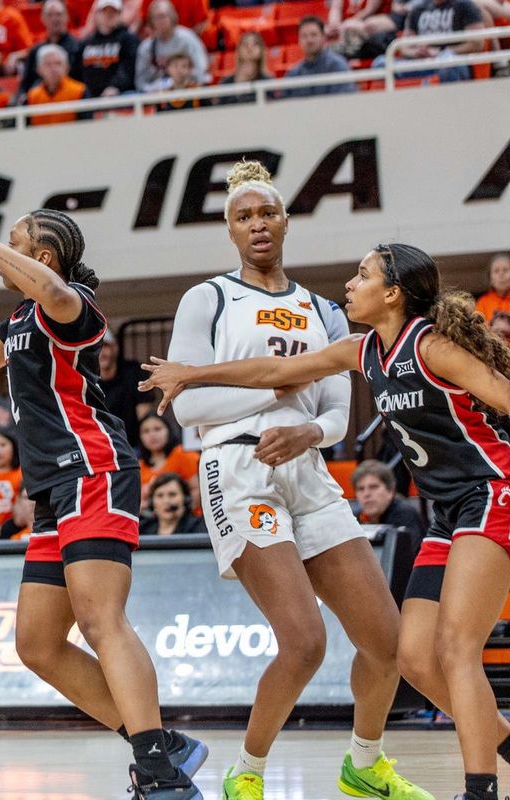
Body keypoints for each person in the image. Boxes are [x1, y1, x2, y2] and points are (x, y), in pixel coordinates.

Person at [142, 243, 510, 800]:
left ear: (391, 293)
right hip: (446, 512)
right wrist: (194, 373)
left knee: (455, 649)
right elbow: (278, 369)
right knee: (411, 656)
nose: (349, 283)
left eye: (362, 275)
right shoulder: (364, 351)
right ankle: (500, 742)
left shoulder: (433, 348)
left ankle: (479, 790)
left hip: (491, 492)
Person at [0, 205, 206, 798]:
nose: (1, 251)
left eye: (15, 242)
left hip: (93, 468)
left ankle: (158, 771)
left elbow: (57, 291)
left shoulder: (73, 306)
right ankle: (163, 744)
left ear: (40, 257)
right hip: (50, 489)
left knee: (100, 620)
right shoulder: (19, 316)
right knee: (36, 643)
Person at [146, 161, 427, 800]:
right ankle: (245, 774)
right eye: (244, 216)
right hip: (237, 468)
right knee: (303, 642)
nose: (257, 225)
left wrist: (307, 431)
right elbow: (187, 406)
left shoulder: (323, 309)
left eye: (266, 213)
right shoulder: (208, 298)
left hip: (307, 467)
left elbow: (335, 413)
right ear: (230, 228)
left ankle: (364, 764)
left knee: (387, 643)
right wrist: (276, 387)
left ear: (285, 221)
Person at [134, 0, 208, 93]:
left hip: (188, 92)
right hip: (158, 97)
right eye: (155, 18)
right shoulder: (146, 48)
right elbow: (141, 84)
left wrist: (184, 83)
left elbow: (202, 72)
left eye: (163, 16)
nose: (160, 21)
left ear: (172, 16)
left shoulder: (188, 39)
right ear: (150, 21)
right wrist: (158, 87)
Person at [97, 330, 153, 452]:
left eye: (105, 346)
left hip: (133, 446)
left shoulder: (133, 372)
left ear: (115, 348)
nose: (101, 353)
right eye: (96, 348)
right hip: (101, 446)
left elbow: (144, 415)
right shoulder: (86, 379)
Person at [17, 0, 84, 100]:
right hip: (39, 104)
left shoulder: (79, 48)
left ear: (67, 16)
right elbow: (25, 85)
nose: (54, 19)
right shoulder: (35, 51)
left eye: (58, 14)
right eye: (50, 15)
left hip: (71, 101)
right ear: (42, 18)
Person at [282, 16, 357, 98]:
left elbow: (346, 101)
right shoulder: (294, 73)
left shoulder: (337, 65)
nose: (309, 40)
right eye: (304, 36)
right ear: (299, 41)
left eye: (314, 35)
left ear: (323, 37)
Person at [351, 459, 426, 537]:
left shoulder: (405, 514)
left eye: (373, 487)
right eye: (360, 489)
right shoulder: (354, 518)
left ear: (390, 491)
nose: (366, 494)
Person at [80, 0, 139, 98]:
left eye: (113, 12)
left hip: (119, 94)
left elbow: (129, 67)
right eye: (105, 11)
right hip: (90, 97)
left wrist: (115, 86)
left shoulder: (128, 39)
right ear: (97, 14)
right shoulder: (86, 43)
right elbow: (79, 72)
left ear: (120, 14)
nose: (109, 15)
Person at [138, 412, 199, 504]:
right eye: (146, 431)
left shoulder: (184, 455)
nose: (152, 435)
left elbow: (197, 490)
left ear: (169, 430)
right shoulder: (138, 466)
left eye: (157, 429)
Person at [215, 31, 271, 106]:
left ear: (261, 50)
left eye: (255, 44)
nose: (250, 47)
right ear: (239, 49)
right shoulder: (226, 82)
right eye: (245, 44)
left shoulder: (267, 81)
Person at [140, 473, 205, 536]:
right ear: (151, 502)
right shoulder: (142, 529)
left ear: (185, 499)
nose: (166, 501)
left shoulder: (198, 527)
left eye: (172, 494)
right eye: (160, 496)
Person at [475, 253, 510, 322]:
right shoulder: (482, 303)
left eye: (505, 270)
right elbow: (478, 328)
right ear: (490, 278)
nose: (501, 274)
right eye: (496, 271)